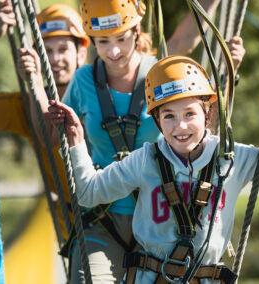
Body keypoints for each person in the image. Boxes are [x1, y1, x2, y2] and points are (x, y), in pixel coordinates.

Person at [18, 0, 246, 282]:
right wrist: (36, 83)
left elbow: (201, 129)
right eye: (102, 42)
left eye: (121, 39)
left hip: (161, 219)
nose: (113, 51)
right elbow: (51, 136)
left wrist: (225, 75)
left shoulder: (159, 73)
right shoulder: (83, 81)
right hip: (103, 217)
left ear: (137, 32)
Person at [48, 55, 259, 284]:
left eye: (190, 114)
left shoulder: (231, 158)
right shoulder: (145, 160)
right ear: (156, 120)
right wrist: (76, 142)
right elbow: (90, 193)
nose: (180, 126)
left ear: (207, 113)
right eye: (168, 116)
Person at [0, 3, 90, 239]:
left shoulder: (101, 97)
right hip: (74, 232)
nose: (55, 59)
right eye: (47, 51)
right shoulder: (28, 106)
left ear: (81, 54)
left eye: (63, 49)